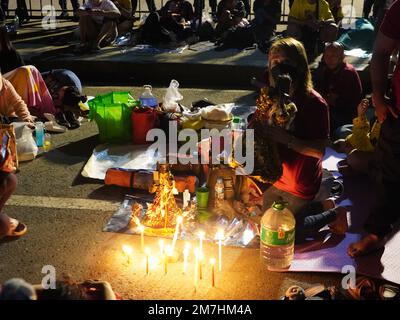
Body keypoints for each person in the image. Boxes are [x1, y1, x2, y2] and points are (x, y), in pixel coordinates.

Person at [250, 37, 348, 242]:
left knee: (282, 235)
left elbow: (319, 151)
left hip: (301, 185)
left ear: (299, 66)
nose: (278, 68)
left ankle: (331, 211)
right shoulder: (271, 97)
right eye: (274, 62)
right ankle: (320, 205)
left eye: (285, 62)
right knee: (258, 225)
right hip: (276, 179)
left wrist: (287, 139)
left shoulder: (315, 103)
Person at [347, 0, 400, 257]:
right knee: (389, 172)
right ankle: (377, 232)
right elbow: (380, 52)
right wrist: (378, 94)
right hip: (398, 110)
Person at [0, 73, 34, 241]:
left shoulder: (5, 85)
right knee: (5, 227)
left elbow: (18, 103)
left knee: (10, 180)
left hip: (5, 120)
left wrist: (26, 119)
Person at [0, 25, 56, 118]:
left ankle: (35, 106)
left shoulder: (11, 53)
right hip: (3, 86)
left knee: (29, 70)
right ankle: (30, 107)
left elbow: (24, 76)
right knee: (25, 71)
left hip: (13, 87)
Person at [314, 41, 363, 138]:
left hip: (347, 116)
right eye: (327, 56)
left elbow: (334, 101)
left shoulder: (347, 73)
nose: (329, 59)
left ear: (342, 57)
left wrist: (327, 98)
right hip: (334, 110)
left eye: (333, 56)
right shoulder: (328, 70)